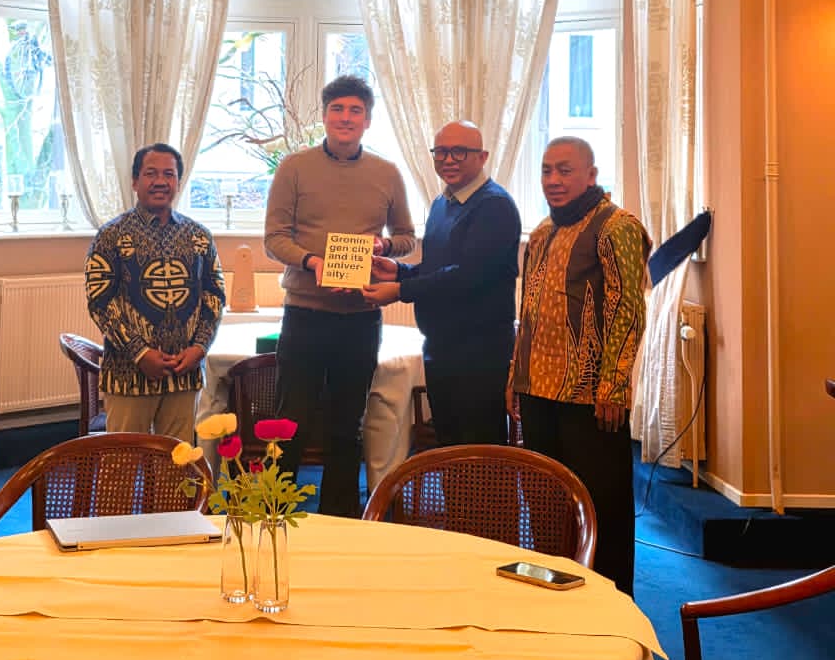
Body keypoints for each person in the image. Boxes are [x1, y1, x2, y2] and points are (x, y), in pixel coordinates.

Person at [264, 75, 416, 517]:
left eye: (355, 111)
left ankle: (341, 516)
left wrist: (383, 246)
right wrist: (312, 262)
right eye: (337, 109)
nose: (345, 118)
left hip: (360, 317)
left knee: (348, 423)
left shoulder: (387, 173)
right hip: (305, 314)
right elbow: (274, 238)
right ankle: (274, 511)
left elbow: (407, 237)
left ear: (367, 120)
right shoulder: (294, 168)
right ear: (325, 116)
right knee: (290, 419)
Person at [506, 136, 649, 597]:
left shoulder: (617, 226)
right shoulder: (542, 232)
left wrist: (614, 385)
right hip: (537, 388)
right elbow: (528, 311)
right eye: (546, 170)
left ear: (591, 175)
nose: (553, 180)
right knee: (546, 501)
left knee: (599, 505)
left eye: (564, 170)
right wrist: (515, 376)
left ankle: (609, 602)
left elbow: (628, 309)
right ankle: (554, 595)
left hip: (591, 396)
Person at [362, 120, 521, 446]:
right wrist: (399, 271)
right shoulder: (441, 204)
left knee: (478, 451)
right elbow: (439, 269)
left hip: (479, 354)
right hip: (441, 348)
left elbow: (467, 276)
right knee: (448, 446)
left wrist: (401, 291)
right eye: (441, 152)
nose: (448, 160)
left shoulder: (495, 206)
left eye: (459, 152)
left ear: (482, 157)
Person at [85, 143, 225, 443]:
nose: (160, 181)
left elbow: (214, 296)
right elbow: (100, 303)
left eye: (168, 174)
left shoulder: (199, 237)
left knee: (179, 463)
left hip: (184, 376)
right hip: (128, 376)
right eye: (151, 174)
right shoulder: (111, 236)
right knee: (123, 462)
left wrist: (200, 347)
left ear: (178, 182)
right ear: (135, 181)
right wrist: (140, 353)